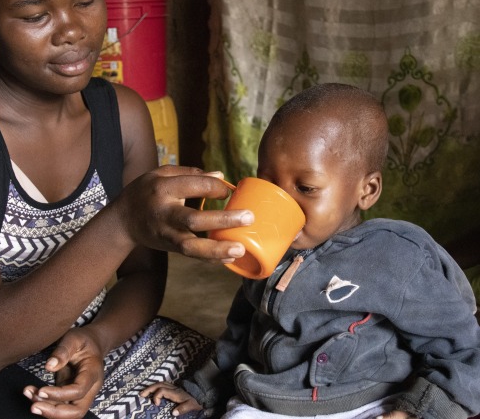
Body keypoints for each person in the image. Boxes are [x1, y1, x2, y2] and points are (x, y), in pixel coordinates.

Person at [0, 0, 255, 418]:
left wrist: (96, 341)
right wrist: (124, 221)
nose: (73, 30)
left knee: (243, 382)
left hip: (90, 342)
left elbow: (141, 277)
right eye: (34, 16)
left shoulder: (122, 114)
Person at [142, 83, 480, 419]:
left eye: (306, 188)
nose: (283, 200)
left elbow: (460, 347)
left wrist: (419, 411)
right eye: (268, 184)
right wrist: (204, 388)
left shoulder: (397, 257)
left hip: (366, 402)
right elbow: (242, 330)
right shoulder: (270, 250)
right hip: (267, 402)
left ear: (368, 190)